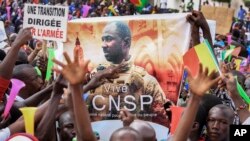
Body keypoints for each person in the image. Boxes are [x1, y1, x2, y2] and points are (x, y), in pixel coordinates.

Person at [86, 21, 169, 127]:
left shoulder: (146, 81)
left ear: (126, 42)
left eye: (108, 39)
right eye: (103, 40)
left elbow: (162, 124)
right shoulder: (94, 77)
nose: (103, 45)